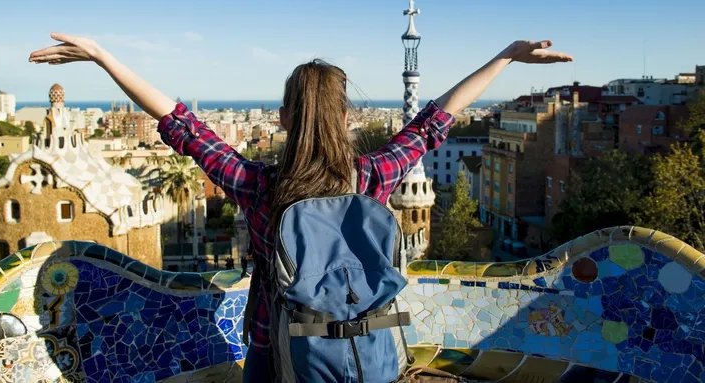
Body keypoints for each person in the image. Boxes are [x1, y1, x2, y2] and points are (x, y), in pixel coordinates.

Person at [30, 34, 571, 381]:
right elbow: (435, 122)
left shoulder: (258, 186)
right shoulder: (373, 177)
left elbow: (182, 126)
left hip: (277, 345)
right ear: (346, 118)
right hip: (370, 345)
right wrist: (506, 56)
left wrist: (103, 56)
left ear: (285, 118)